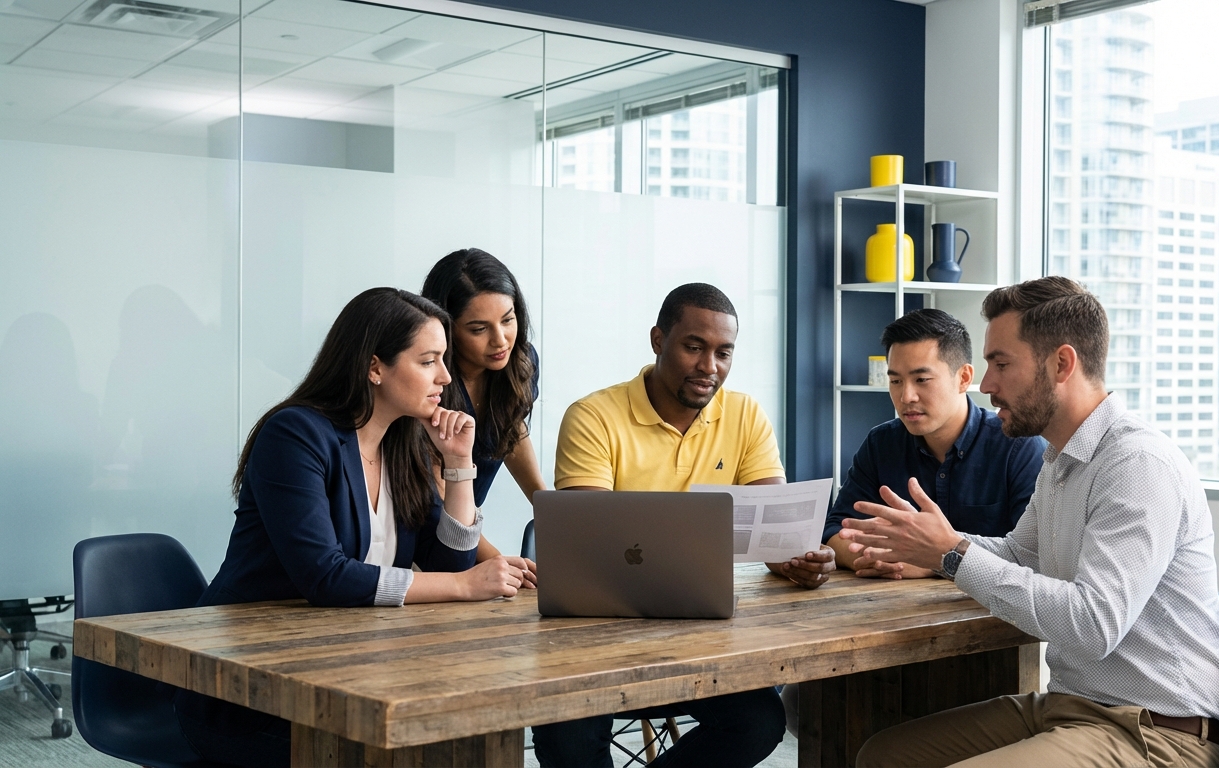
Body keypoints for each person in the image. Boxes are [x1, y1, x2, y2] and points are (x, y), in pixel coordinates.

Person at [839, 277, 1219, 767]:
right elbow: (1019, 553)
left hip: (1156, 732)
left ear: (1061, 364)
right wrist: (940, 543)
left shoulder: (1136, 464)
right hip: (1074, 708)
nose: (986, 385)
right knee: (882, 756)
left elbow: (1093, 625)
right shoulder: (1060, 457)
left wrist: (951, 554)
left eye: (1001, 364)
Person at [175, 288, 529, 768]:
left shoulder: (398, 442)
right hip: (251, 689)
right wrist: (464, 586)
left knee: (462, 737)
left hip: (353, 672)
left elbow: (450, 561)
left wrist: (459, 465)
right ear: (375, 367)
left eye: (443, 360)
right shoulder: (296, 434)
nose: (446, 377)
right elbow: (324, 575)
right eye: (428, 361)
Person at [530, 283, 798, 768]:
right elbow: (590, 548)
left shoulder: (744, 415)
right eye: (693, 347)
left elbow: (772, 529)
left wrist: (798, 557)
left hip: (700, 639)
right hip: (595, 639)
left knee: (760, 721)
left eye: (723, 352)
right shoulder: (594, 416)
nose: (709, 366)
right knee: (566, 738)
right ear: (658, 340)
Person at [823, 309, 1044, 578]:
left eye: (921, 380)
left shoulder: (1018, 446)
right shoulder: (881, 444)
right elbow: (834, 531)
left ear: (963, 378)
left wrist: (935, 562)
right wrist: (874, 558)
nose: (906, 396)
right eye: (895, 381)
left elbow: (1036, 556)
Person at [422, 248, 543, 584]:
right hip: (426, 542)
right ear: (446, 329)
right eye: (479, 329)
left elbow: (511, 430)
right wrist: (498, 560)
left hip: (467, 537)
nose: (500, 340)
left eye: (508, 319)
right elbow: (435, 493)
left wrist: (550, 510)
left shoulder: (519, 363)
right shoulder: (429, 382)